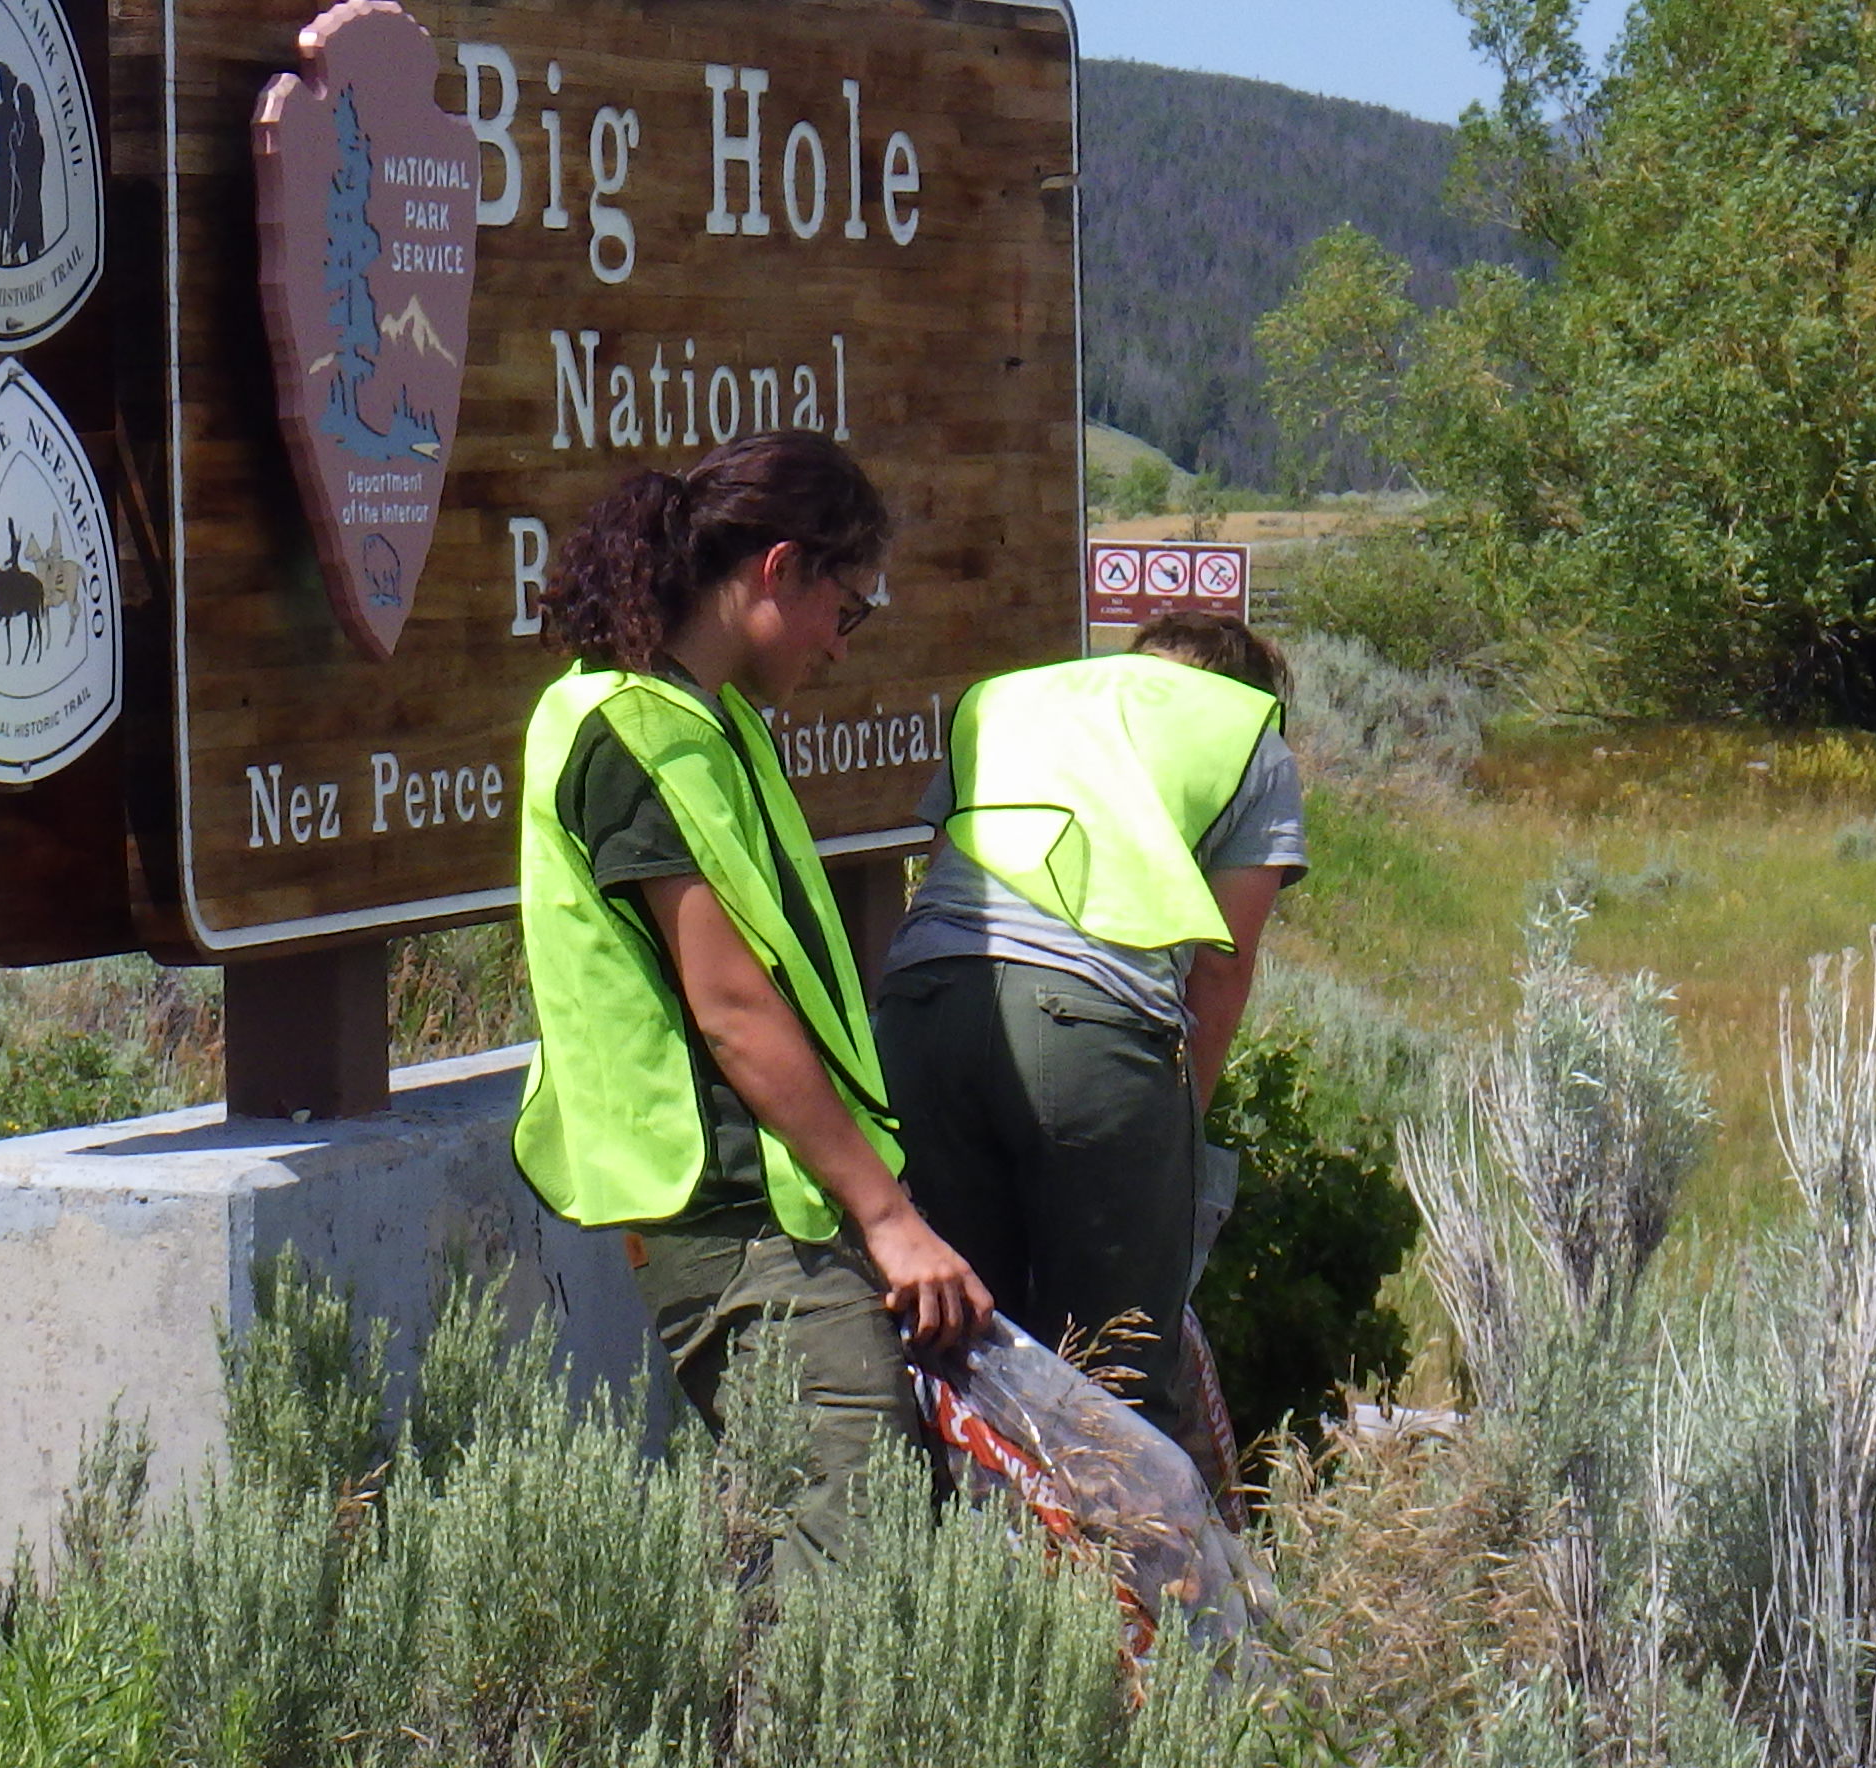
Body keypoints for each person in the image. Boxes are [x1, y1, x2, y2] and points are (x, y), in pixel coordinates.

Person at [511, 431, 992, 1563]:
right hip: (740, 1218)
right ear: (780, 570)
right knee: (854, 1578)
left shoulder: (701, 719)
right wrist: (885, 1214)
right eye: (848, 606)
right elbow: (729, 1004)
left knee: (814, 1565)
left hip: (767, 1210)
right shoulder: (636, 731)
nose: (840, 643)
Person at [869, 611, 1300, 1463]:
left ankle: (955, 1567)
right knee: (1114, 1378)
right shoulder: (1250, 732)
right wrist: (1178, 1136)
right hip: (1092, 1030)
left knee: (959, 1340)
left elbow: (943, 862)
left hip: (923, 1007)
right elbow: (1223, 965)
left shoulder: (1007, 700)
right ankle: (1103, 1589)